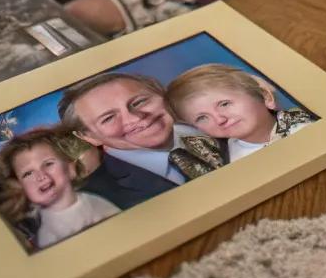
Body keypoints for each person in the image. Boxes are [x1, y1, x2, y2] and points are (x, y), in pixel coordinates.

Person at [58, 72, 225, 207]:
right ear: (88, 136)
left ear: (162, 94)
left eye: (139, 102)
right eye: (108, 118)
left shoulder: (224, 128)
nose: (135, 118)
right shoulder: (93, 202)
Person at [0, 128, 118, 250]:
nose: (41, 176)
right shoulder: (42, 233)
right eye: (28, 173)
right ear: (19, 187)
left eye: (48, 164)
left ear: (70, 169)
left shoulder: (96, 206)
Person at [167, 65, 313, 161]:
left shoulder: (307, 128)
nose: (219, 119)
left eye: (224, 104)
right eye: (202, 117)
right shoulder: (225, 161)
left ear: (265, 97)